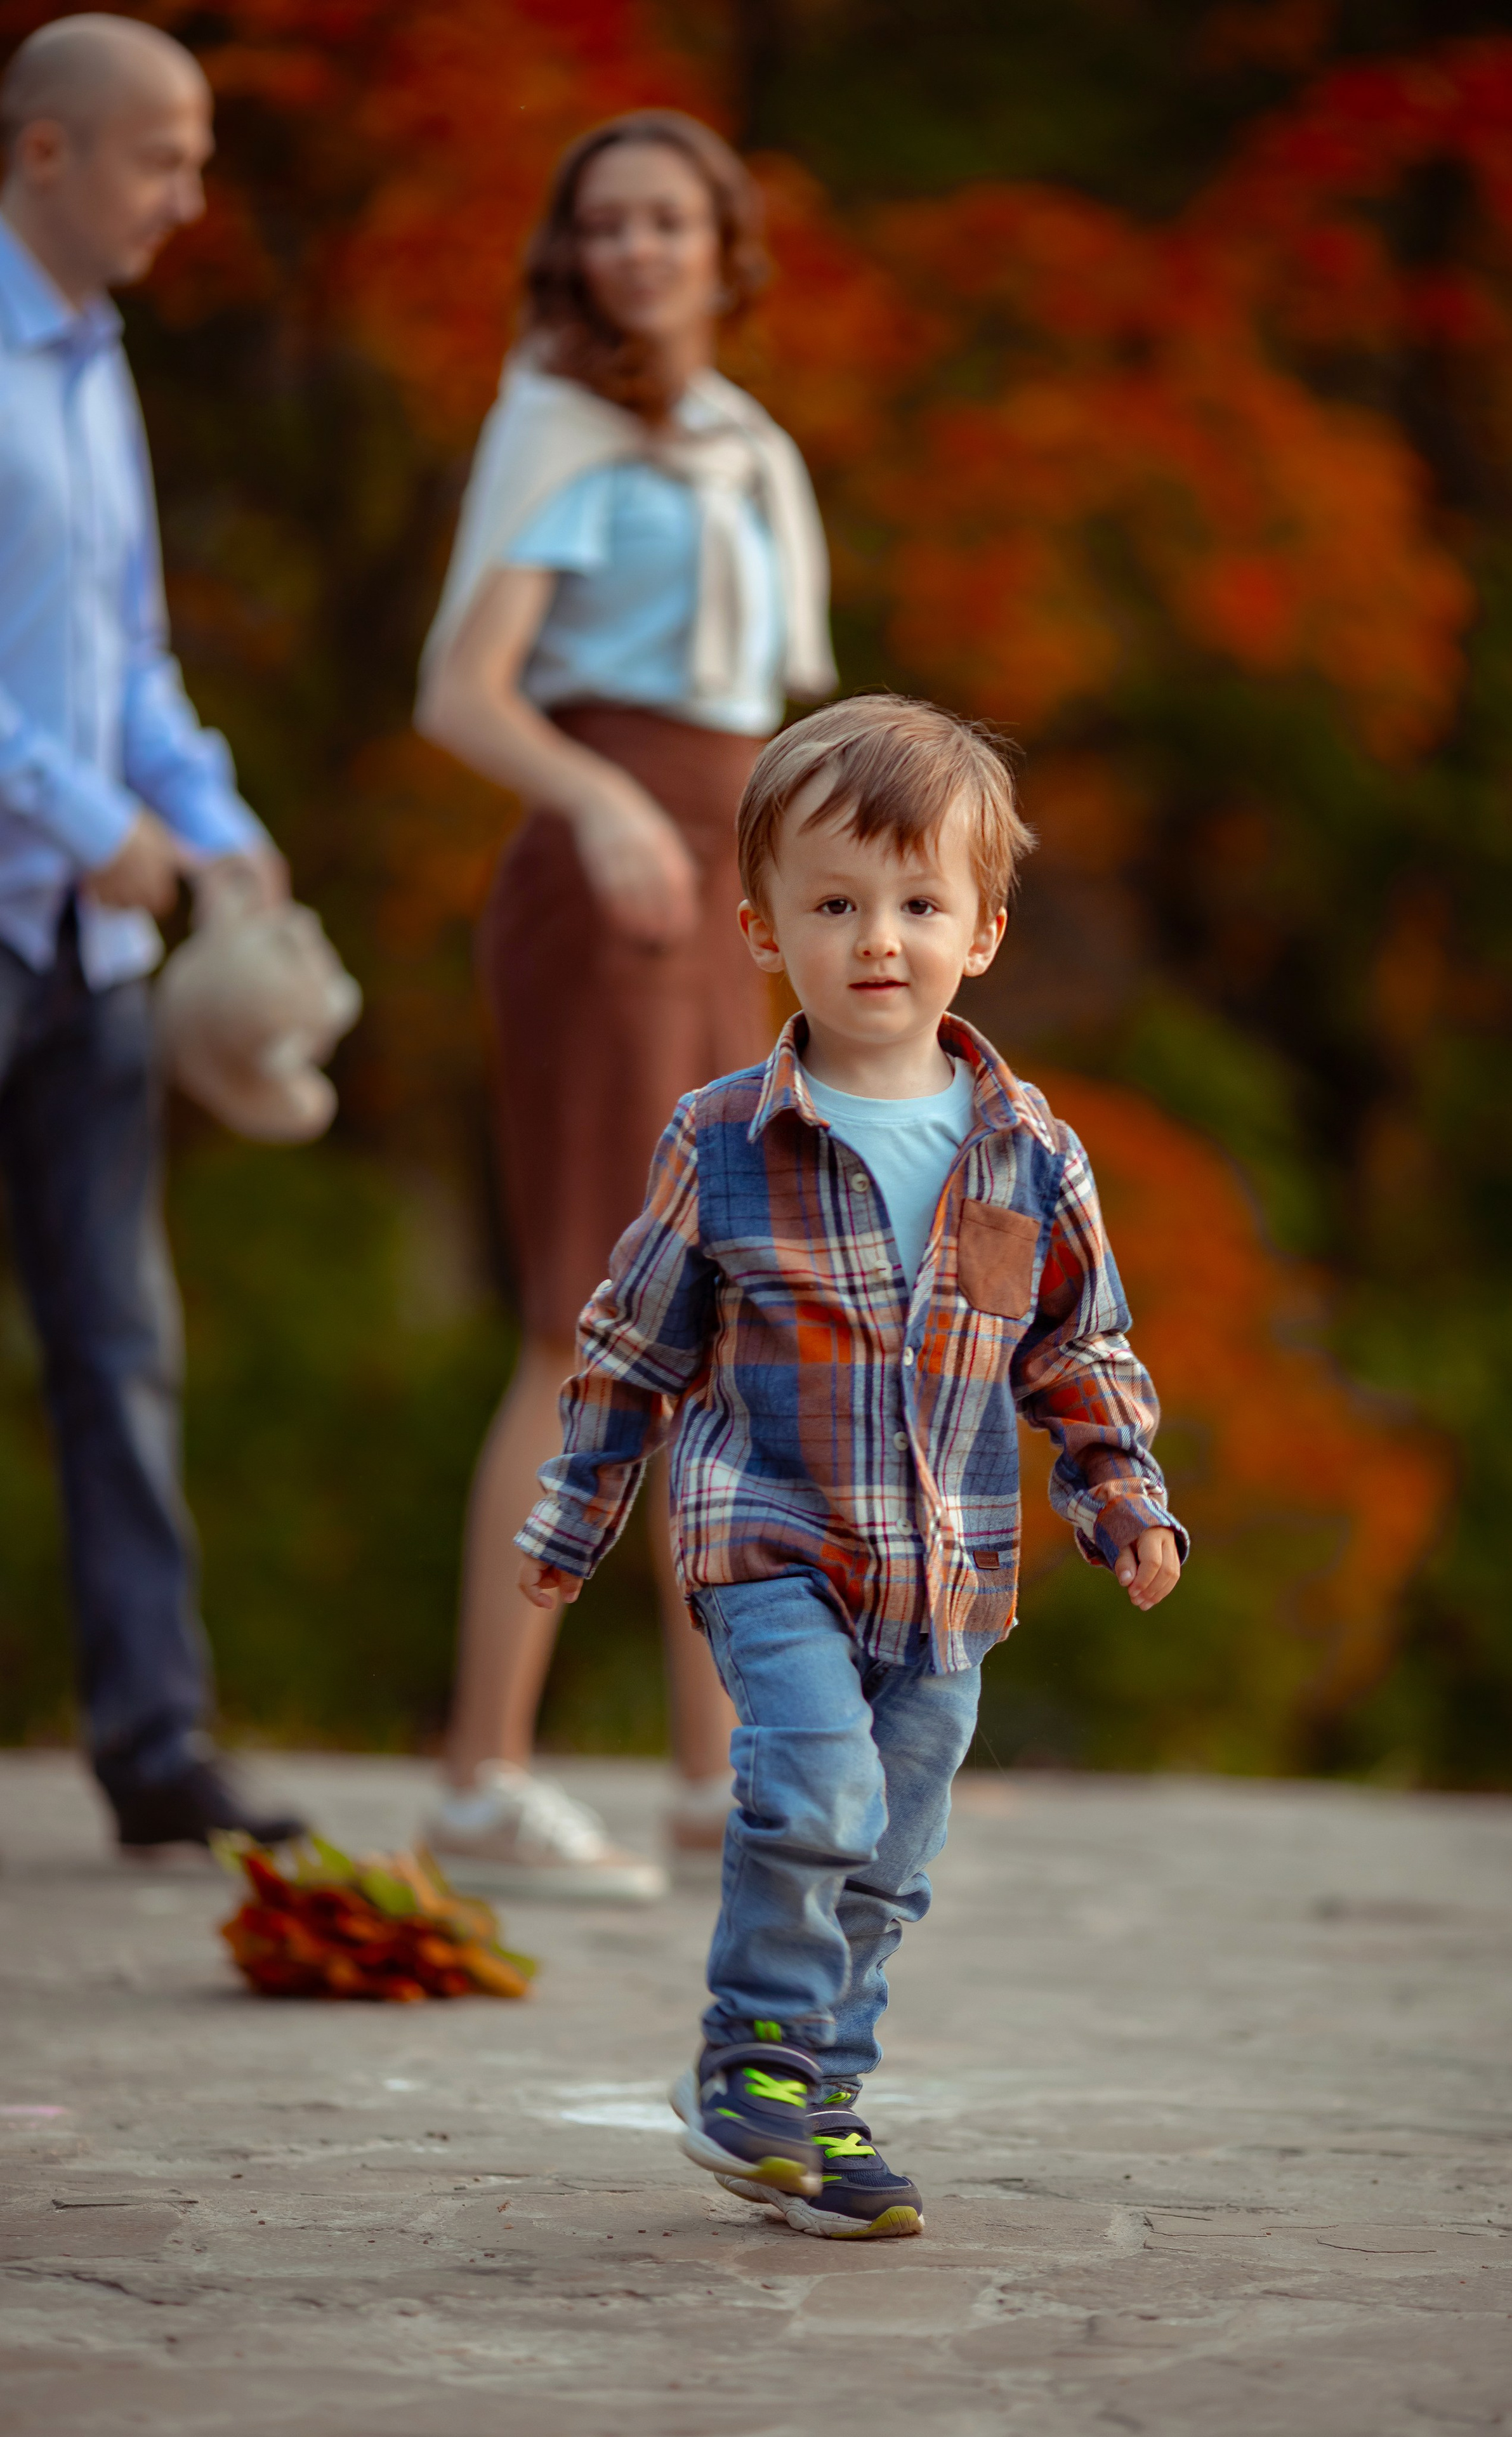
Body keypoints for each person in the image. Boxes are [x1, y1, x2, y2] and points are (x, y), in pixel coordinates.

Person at [513, 694, 1188, 2238]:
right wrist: (576, 1516)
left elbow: (1076, 1349)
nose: (877, 939)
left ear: (983, 932)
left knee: (888, 1856)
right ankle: (748, 2057)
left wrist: (1125, 1498)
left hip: (947, 1578)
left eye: (917, 905)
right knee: (814, 1786)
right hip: (771, 1542)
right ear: (761, 928)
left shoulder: (1032, 1155)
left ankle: (818, 2101)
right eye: (832, 905)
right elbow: (632, 1343)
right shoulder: (721, 1138)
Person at [416, 111, 833, 1900]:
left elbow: (768, 709)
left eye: (668, 220)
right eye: (606, 224)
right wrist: (595, 804)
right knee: (590, 1326)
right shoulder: (556, 424)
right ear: (571, 253)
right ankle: (481, 1778)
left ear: (724, 246)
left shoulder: (747, 445)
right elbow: (461, 690)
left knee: (728, 1332)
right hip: (607, 883)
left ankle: (709, 1784)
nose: (636, 250)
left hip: (723, 880)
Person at [0, 15, 303, 1853]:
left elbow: (124, 657)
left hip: (83, 961)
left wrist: (207, 815)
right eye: (162, 156)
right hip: (26, 889)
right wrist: (79, 812)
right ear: (46, 150)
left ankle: (155, 1746)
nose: (190, 196)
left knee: (119, 1348)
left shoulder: (97, 359)